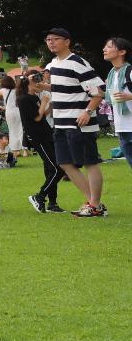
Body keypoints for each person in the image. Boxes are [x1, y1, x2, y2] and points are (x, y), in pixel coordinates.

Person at [44, 27, 107, 217]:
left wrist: (87, 112)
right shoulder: (53, 64)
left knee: (89, 162)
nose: (51, 42)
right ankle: (93, 202)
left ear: (67, 41)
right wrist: (42, 85)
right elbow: (61, 86)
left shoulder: (77, 63)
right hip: (61, 123)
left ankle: (94, 205)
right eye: (48, 40)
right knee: (64, 163)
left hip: (79, 122)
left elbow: (99, 90)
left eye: (55, 39)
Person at [17, 71, 61, 211]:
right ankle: (39, 197)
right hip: (38, 137)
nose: (39, 83)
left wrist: (50, 105)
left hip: (46, 134)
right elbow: (36, 117)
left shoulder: (33, 96)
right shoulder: (24, 99)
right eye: (35, 81)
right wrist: (44, 102)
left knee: (51, 169)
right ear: (27, 83)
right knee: (56, 168)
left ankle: (52, 203)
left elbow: (42, 115)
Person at [105, 37, 132, 175]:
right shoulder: (112, 74)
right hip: (122, 128)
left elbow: (127, 96)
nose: (105, 49)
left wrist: (130, 96)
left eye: (109, 46)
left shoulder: (129, 71)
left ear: (122, 51)